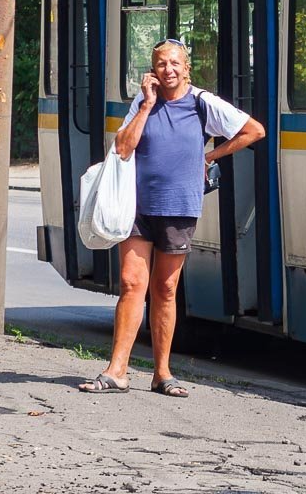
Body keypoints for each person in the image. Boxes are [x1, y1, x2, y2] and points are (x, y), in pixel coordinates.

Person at [78, 38, 265, 397]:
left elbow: (254, 130)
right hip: (136, 206)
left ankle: (162, 373)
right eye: (162, 64)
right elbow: (122, 147)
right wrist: (147, 105)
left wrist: (210, 157)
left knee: (165, 289)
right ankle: (117, 370)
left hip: (180, 207)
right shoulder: (143, 102)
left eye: (175, 63)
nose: (169, 70)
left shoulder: (201, 103)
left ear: (187, 67)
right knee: (132, 283)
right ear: (153, 69)